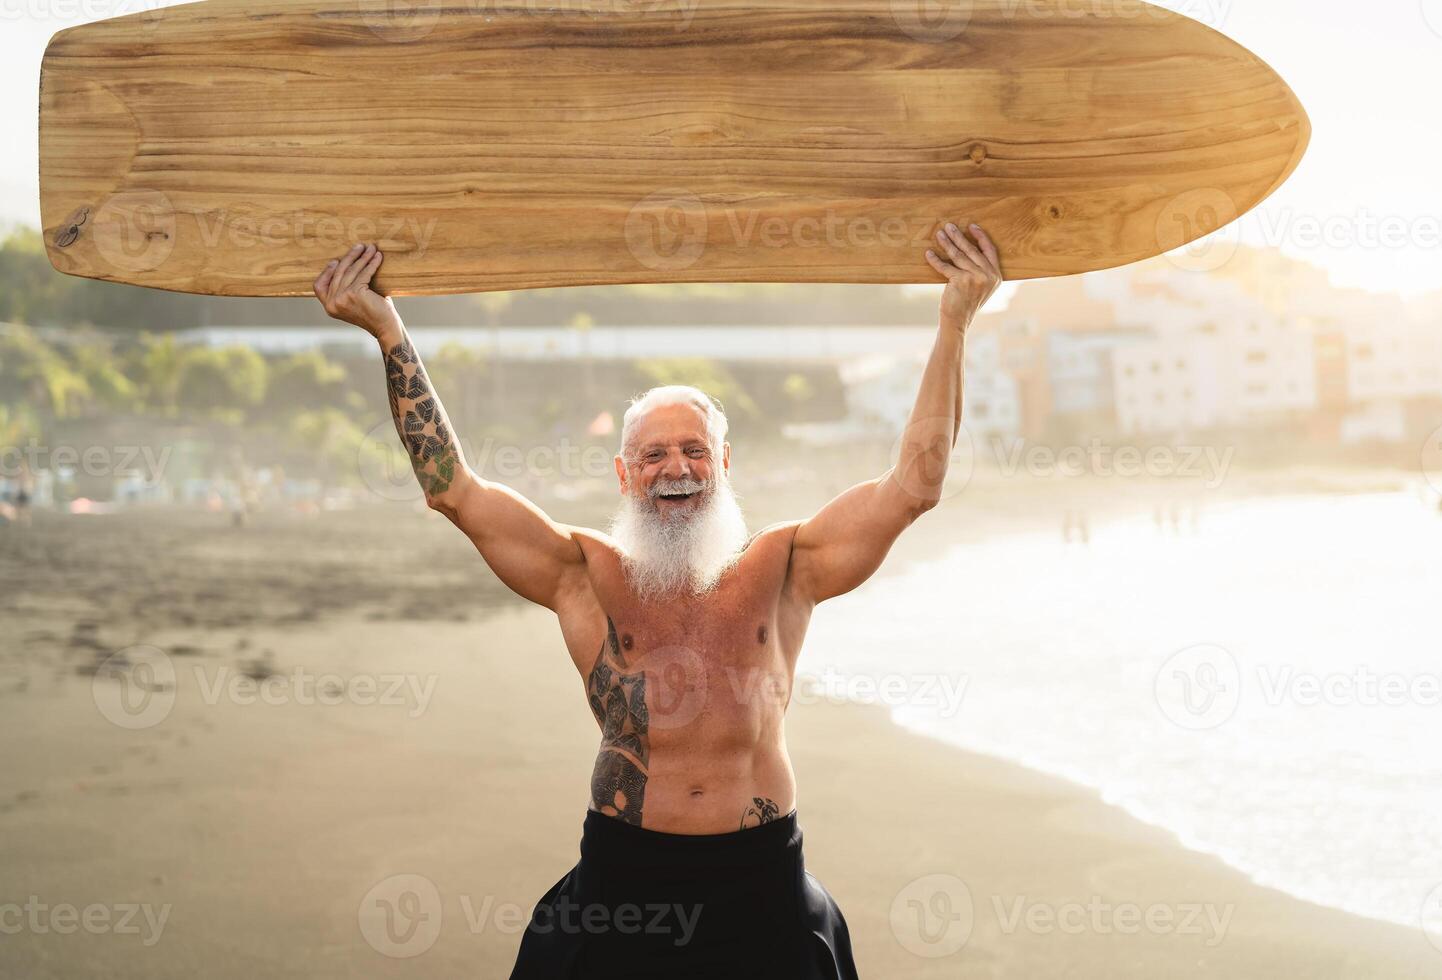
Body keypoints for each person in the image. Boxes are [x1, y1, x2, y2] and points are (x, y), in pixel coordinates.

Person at [312, 223, 1003, 979]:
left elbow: (914, 487)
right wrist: (388, 329)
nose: (676, 468)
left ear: (724, 463)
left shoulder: (785, 567)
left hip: (760, 882)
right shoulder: (584, 574)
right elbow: (452, 488)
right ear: (624, 473)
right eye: (654, 454)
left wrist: (954, 319)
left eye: (694, 450)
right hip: (624, 883)